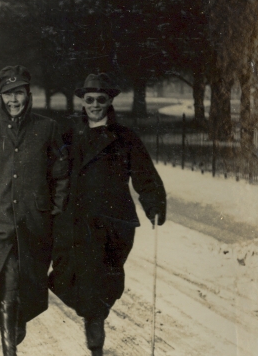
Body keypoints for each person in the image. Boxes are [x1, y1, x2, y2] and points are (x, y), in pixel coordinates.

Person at [49, 73, 166, 356]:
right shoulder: (66, 134)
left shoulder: (125, 137)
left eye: (101, 100)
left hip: (113, 221)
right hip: (74, 219)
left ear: (110, 100)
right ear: (83, 101)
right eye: (89, 100)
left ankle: (94, 322)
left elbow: (144, 175)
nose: (95, 105)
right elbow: (47, 170)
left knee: (107, 277)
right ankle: (93, 315)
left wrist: (154, 204)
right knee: (65, 275)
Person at [0, 65, 69, 356]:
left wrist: (53, 209)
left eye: (19, 93)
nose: (14, 100)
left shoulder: (47, 128)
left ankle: (17, 323)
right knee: (6, 286)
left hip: (35, 224)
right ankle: (9, 352)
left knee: (28, 288)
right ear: (1, 98)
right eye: (8, 95)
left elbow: (61, 174)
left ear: (28, 94)